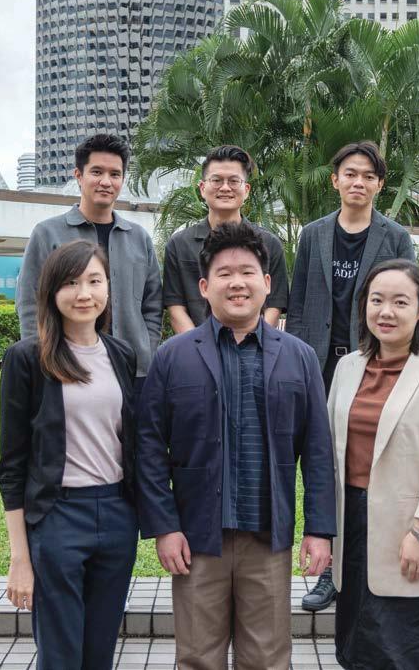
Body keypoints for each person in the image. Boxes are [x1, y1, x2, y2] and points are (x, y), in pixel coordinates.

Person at [137, 222, 336, 670]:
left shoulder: (299, 357)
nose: (237, 283)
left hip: (267, 537)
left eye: (247, 272)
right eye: (224, 274)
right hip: (197, 537)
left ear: (266, 283)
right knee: (197, 657)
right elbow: (148, 448)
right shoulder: (173, 356)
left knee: (267, 658)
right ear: (204, 287)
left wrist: (319, 530)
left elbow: (318, 452)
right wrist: (164, 527)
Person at [0, 241, 139, 670]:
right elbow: (12, 465)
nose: (84, 294)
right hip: (57, 517)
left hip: (116, 515)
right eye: (71, 283)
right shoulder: (27, 359)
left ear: (108, 287)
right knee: (60, 656)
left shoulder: (121, 355)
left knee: (99, 652)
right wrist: (20, 558)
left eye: (95, 281)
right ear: (51, 291)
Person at [287, 140, 415, 611]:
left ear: (379, 185)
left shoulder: (395, 237)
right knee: (324, 464)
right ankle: (331, 570)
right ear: (335, 180)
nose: (358, 182)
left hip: (371, 363)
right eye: (350, 174)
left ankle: (367, 564)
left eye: (368, 176)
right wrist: (297, 361)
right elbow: (299, 302)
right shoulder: (313, 235)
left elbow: (409, 297)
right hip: (320, 366)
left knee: (367, 463)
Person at [328, 259, 419, 670]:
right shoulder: (348, 367)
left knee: (418, 653)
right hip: (354, 530)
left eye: (400, 302)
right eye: (376, 300)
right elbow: (331, 450)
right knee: (360, 651)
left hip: (412, 530)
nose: (385, 312)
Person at [16, 133, 162, 388]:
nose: (106, 181)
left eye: (115, 174)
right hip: (67, 367)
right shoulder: (47, 233)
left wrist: (145, 349)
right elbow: (30, 302)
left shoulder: (139, 238)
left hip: (134, 371)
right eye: (96, 172)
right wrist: (41, 357)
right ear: (78, 175)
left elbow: (153, 304)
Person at [163, 144, 288, 333]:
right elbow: (175, 307)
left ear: (246, 190)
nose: (225, 188)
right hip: (196, 346)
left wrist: (252, 342)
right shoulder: (179, 244)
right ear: (202, 188)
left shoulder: (269, 243)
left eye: (234, 181)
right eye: (216, 180)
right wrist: (198, 345)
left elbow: (274, 306)